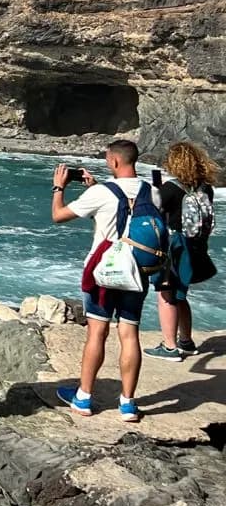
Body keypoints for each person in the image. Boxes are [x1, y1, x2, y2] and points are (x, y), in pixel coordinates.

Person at [51, 139, 160, 422]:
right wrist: (95, 188)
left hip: (103, 272)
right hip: (137, 271)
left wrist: (59, 187)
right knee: (129, 333)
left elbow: (58, 216)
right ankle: (128, 404)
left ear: (113, 161)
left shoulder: (102, 193)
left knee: (97, 332)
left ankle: (84, 397)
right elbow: (130, 220)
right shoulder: (154, 192)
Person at [146, 141, 218, 361]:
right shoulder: (206, 189)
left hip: (174, 248)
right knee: (181, 295)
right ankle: (186, 341)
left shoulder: (170, 189)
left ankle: (169, 348)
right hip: (196, 247)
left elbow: (154, 210)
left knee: (165, 295)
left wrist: (156, 190)